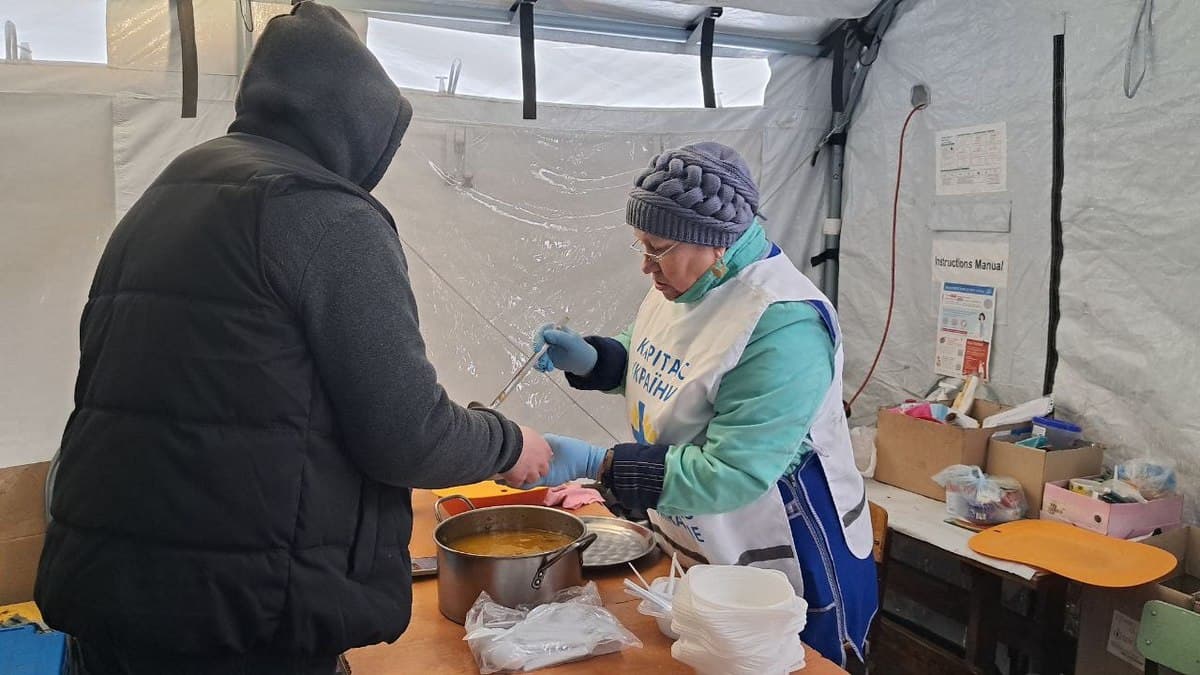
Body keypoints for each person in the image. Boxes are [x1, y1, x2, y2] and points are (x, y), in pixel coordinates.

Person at [35, 4, 551, 674]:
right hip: (237, 624)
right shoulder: (327, 215)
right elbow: (406, 433)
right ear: (357, 126)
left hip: (113, 601)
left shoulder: (169, 193)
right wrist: (509, 442)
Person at [526, 143, 877, 667]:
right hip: (700, 534)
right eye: (641, 246)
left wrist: (601, 464)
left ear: (714, 242)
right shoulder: (686, 282)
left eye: (657, 249)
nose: (646, 265)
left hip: (785, 543)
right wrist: (594, 359)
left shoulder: (783, 324)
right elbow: (659, 363)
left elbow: (733, 471)